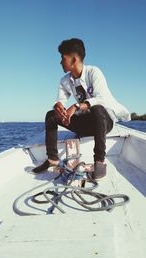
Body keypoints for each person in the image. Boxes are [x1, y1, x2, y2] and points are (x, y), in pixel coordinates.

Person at [33, 38, 130, 179]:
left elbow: (101, 99)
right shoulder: (65, 80)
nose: (60, 62)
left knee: (97, 109)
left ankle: (99, 161)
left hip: (104, 122)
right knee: (51, 115)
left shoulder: (94, 72)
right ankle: (53, 159)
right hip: (85, 125)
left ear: (73, 60)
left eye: (62, 58)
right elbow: (60, 100)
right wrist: (59, 107)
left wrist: (76, 106)